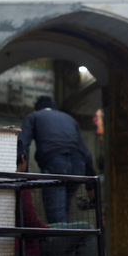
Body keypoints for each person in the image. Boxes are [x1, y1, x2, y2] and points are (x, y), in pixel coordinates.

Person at [16, 151, 119, 256]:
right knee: (85, 231)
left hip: (17, 241)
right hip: (27, 243)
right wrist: (48, 229)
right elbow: (31, 222)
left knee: (66, 231)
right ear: (23, 160)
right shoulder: (20, 181)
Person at [18, 96, 95, 224]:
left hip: (55, 165)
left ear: (36, 108)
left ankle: (62, 241)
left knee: (57, 217)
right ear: (55, 108)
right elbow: (86, 153)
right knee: (64, 209)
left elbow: (23, 144)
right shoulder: (70, 119)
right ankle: (67, 241)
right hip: (78, 167)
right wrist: (91, 186)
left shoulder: (34, 116)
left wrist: (23, 175)